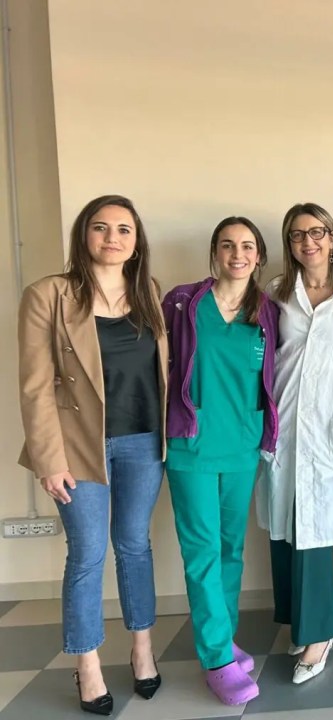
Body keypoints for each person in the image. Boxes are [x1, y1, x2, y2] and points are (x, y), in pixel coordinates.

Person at [18, 195, 166, 716]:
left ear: (136, 241)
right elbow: (35, 386)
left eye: (124, 229)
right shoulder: (48, 295)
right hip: (77, 447)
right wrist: (48, 459)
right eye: (101, 227)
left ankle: (142, 650)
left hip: (144, 441)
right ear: (84, 234)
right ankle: (88, 665)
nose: (112, 238)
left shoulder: (148, 292)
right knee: (86, 554)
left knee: (135, 545)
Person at [162, 217, 279, 706]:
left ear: (259, 256)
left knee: (232, 549)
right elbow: (158, 365)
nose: (238, 254)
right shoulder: (183, 302)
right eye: (228, 245)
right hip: (191, 446)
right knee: (203, 551)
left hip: (243, 445)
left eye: (247, 246)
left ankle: (224, 638)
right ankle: (215, 659)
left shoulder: (267, 311)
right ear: (215, 252)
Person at [254, 203, 333, 684]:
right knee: (286, 529)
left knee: (315, 531)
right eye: (298, 234)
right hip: (284, 422)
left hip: (331, 426)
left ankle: (319, 634)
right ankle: (300, 622)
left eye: (317, 232)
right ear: (290, 243)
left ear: (332, 237)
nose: (309, 242)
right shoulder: (275, 293)